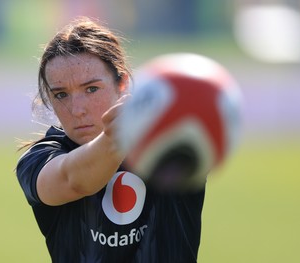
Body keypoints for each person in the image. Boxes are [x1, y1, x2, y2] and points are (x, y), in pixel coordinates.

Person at [16, 17, 205, 263]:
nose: (77, 109)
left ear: (123, 83)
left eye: (91, 89)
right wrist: (120, 134)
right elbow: (75, 181)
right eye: (61, 94)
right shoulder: (38, 160)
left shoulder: (169, 141)